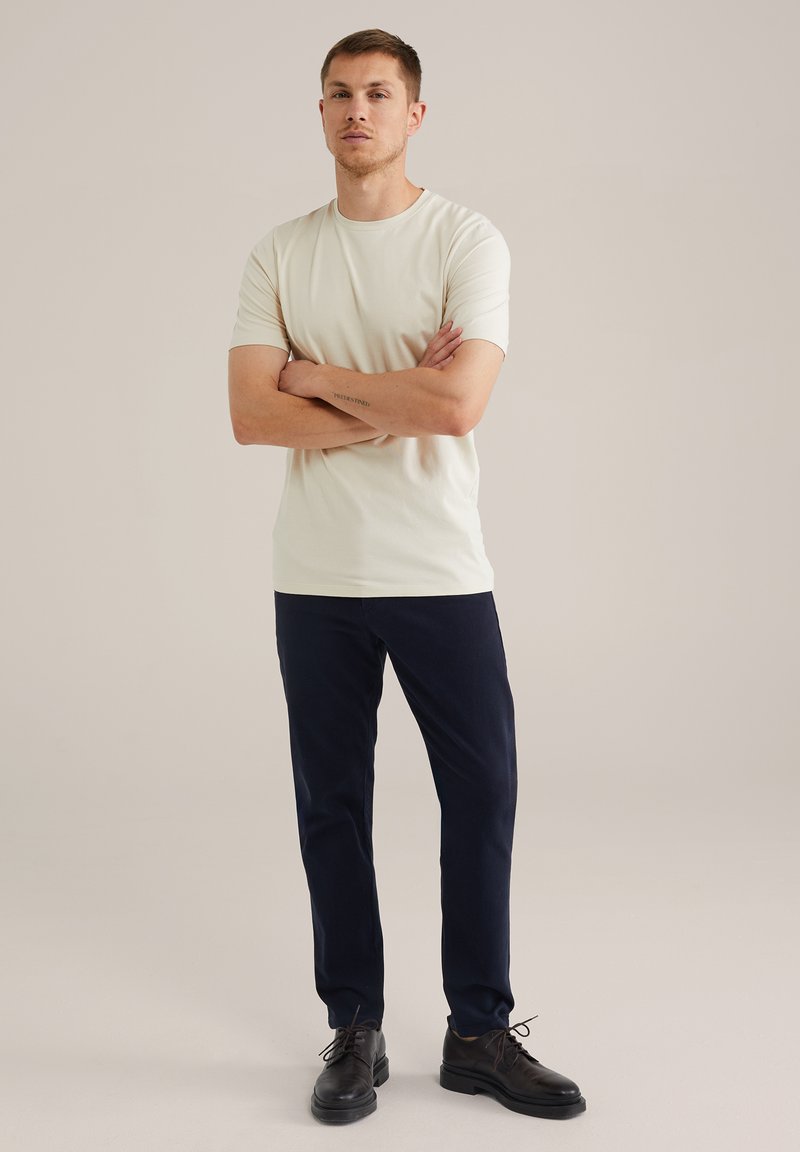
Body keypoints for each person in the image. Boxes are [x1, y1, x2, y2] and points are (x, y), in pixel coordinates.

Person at [227, 28, 586, 1126]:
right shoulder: (280, 253)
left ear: (414, 114)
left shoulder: (464, 239)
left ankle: (477, 1030)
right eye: (339, 93)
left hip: (438, 566)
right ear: (320, 111)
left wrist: (315, 376)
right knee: (331, 804)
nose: (357, 111)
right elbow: (251, 416)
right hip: (317, 573)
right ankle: (357, 1027)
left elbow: (457, 405)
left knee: (481, 791)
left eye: (379, 94)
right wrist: (391, 396)